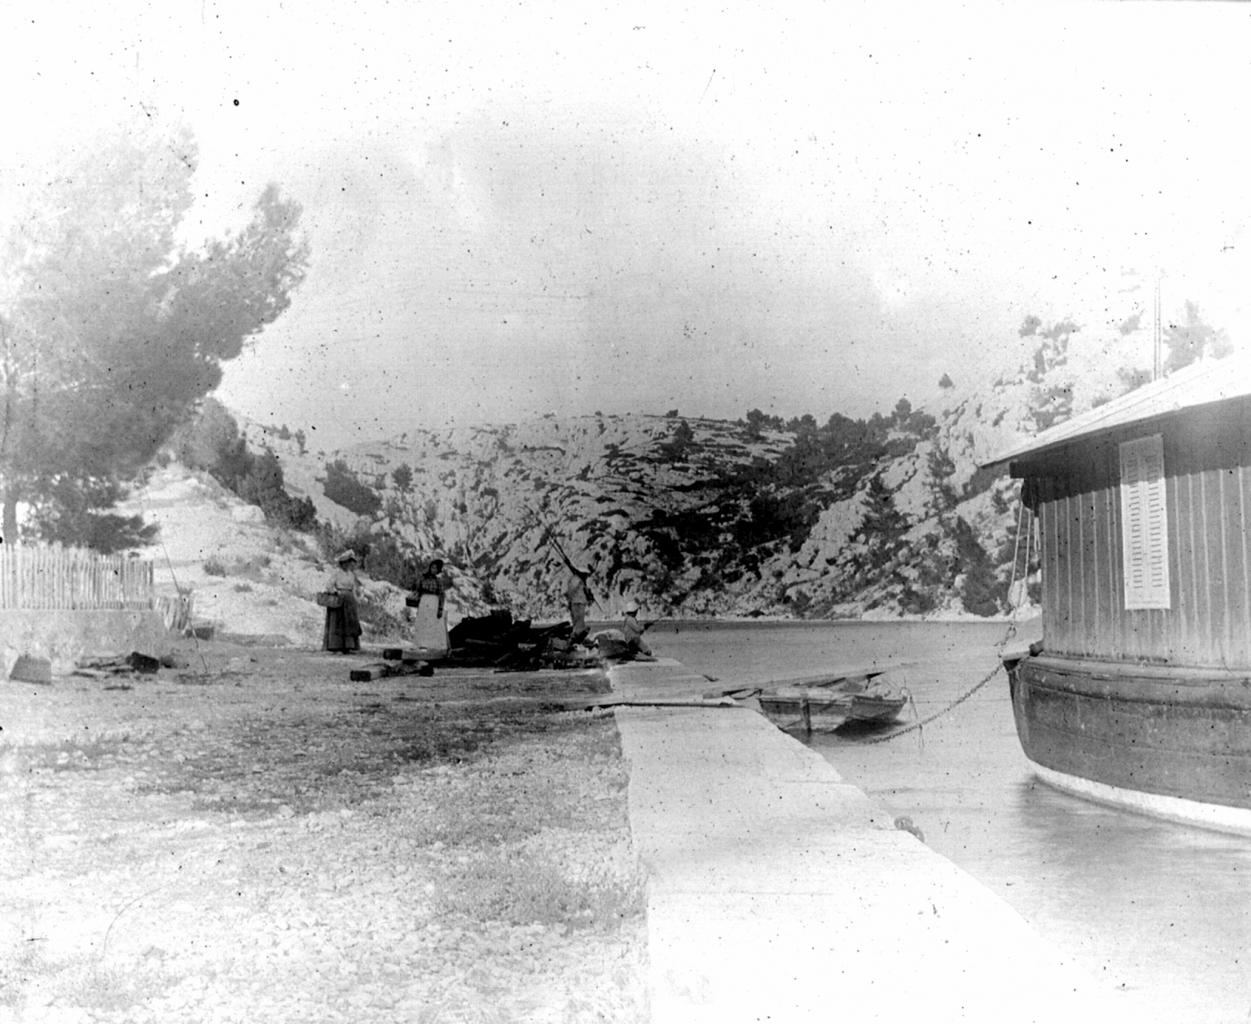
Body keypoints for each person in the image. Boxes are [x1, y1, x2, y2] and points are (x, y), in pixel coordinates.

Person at [323, 549, 362, 653]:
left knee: (350, 623)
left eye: (350, 562)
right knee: (339, 623)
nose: (348, 565)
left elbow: (353, 588)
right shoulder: (337, 574)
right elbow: (329, 586)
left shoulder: (351, 575)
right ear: (342, 563)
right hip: (340, 600)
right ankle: (336, 646)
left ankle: (349, 646)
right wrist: (336, 592)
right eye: (346, 562)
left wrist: (356, 599)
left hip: (350, 602)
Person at [408, 557, 449, 656]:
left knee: (432, 623)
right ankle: (420, 644)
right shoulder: (423, 578)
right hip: (424, 601)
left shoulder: (438, 581)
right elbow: (418, 590)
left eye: (436, 568)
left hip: (434, 602)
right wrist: (414, 597)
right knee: (422, 622)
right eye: (432, 567)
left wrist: (440, 608)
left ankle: (432, 645)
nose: (433, 570)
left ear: (438, 570)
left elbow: (442, 595)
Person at [564, 565, 595, 643]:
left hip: (579, 603)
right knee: (578, 621)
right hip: (577, 603)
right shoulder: (576, 580)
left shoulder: (578, 580)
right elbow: (571, 592)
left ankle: (577, 637)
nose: (587, 576)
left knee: (579, 621)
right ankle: (576, 637)